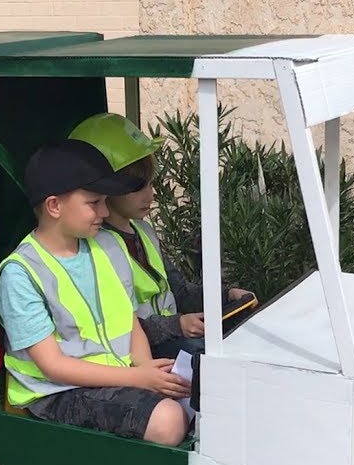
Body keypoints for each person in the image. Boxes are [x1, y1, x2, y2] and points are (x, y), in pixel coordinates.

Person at [0, 138, 192, 447]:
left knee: (204, 387)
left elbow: (130, 323)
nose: (104, 210)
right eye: (94, 202)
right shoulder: (20, 273)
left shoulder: (108, 245)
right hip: (57, 392)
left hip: (120, 374)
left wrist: (145, 368)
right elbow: (53, 366)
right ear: (54, 206)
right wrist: (139, 379)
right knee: (168, 420)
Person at [68, 113, 258, 360]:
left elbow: (178, 290)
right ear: (105, 187)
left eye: (150, 184)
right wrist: (176, 325)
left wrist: (227, 296)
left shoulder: (144, 231)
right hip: (138, 356)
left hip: (171, 342)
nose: (150, 195)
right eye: (138, 186)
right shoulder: (92, 248)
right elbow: (115, 326)